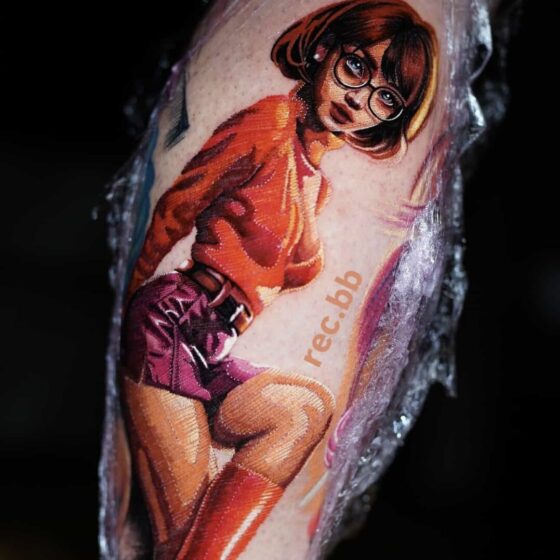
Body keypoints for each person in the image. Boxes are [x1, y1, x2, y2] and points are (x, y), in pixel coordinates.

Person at [119, 1, 439, 558]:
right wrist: (132, 301)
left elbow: (289, 267)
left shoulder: (317, 181)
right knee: (186, 544)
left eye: (386, 98)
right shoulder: (269, 122)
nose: (359, 100)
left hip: (215, 345)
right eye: (356, 67)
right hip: (170, 326)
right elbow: (179, 205)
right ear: (324, 49)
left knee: (303, 410)